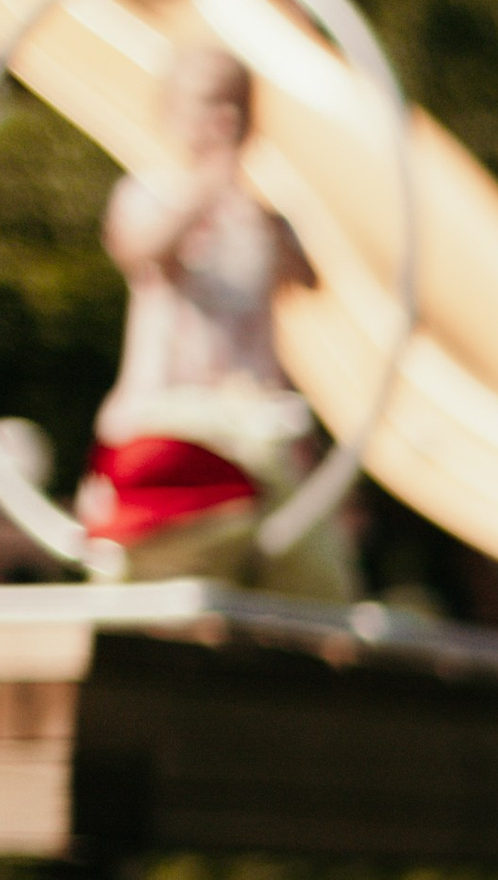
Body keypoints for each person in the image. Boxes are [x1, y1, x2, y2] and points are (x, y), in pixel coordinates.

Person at [80, 42, 354, 601]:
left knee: (313, 581)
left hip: (253, 426)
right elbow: (142, 251)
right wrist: (205, 188)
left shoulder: (264, 218)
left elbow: (308, 279)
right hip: (169, 426)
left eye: (235, 106)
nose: (223, 120)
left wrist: (254, 209)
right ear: (174, 113)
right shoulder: (149, 195)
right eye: (208, 105)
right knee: (157, 579)